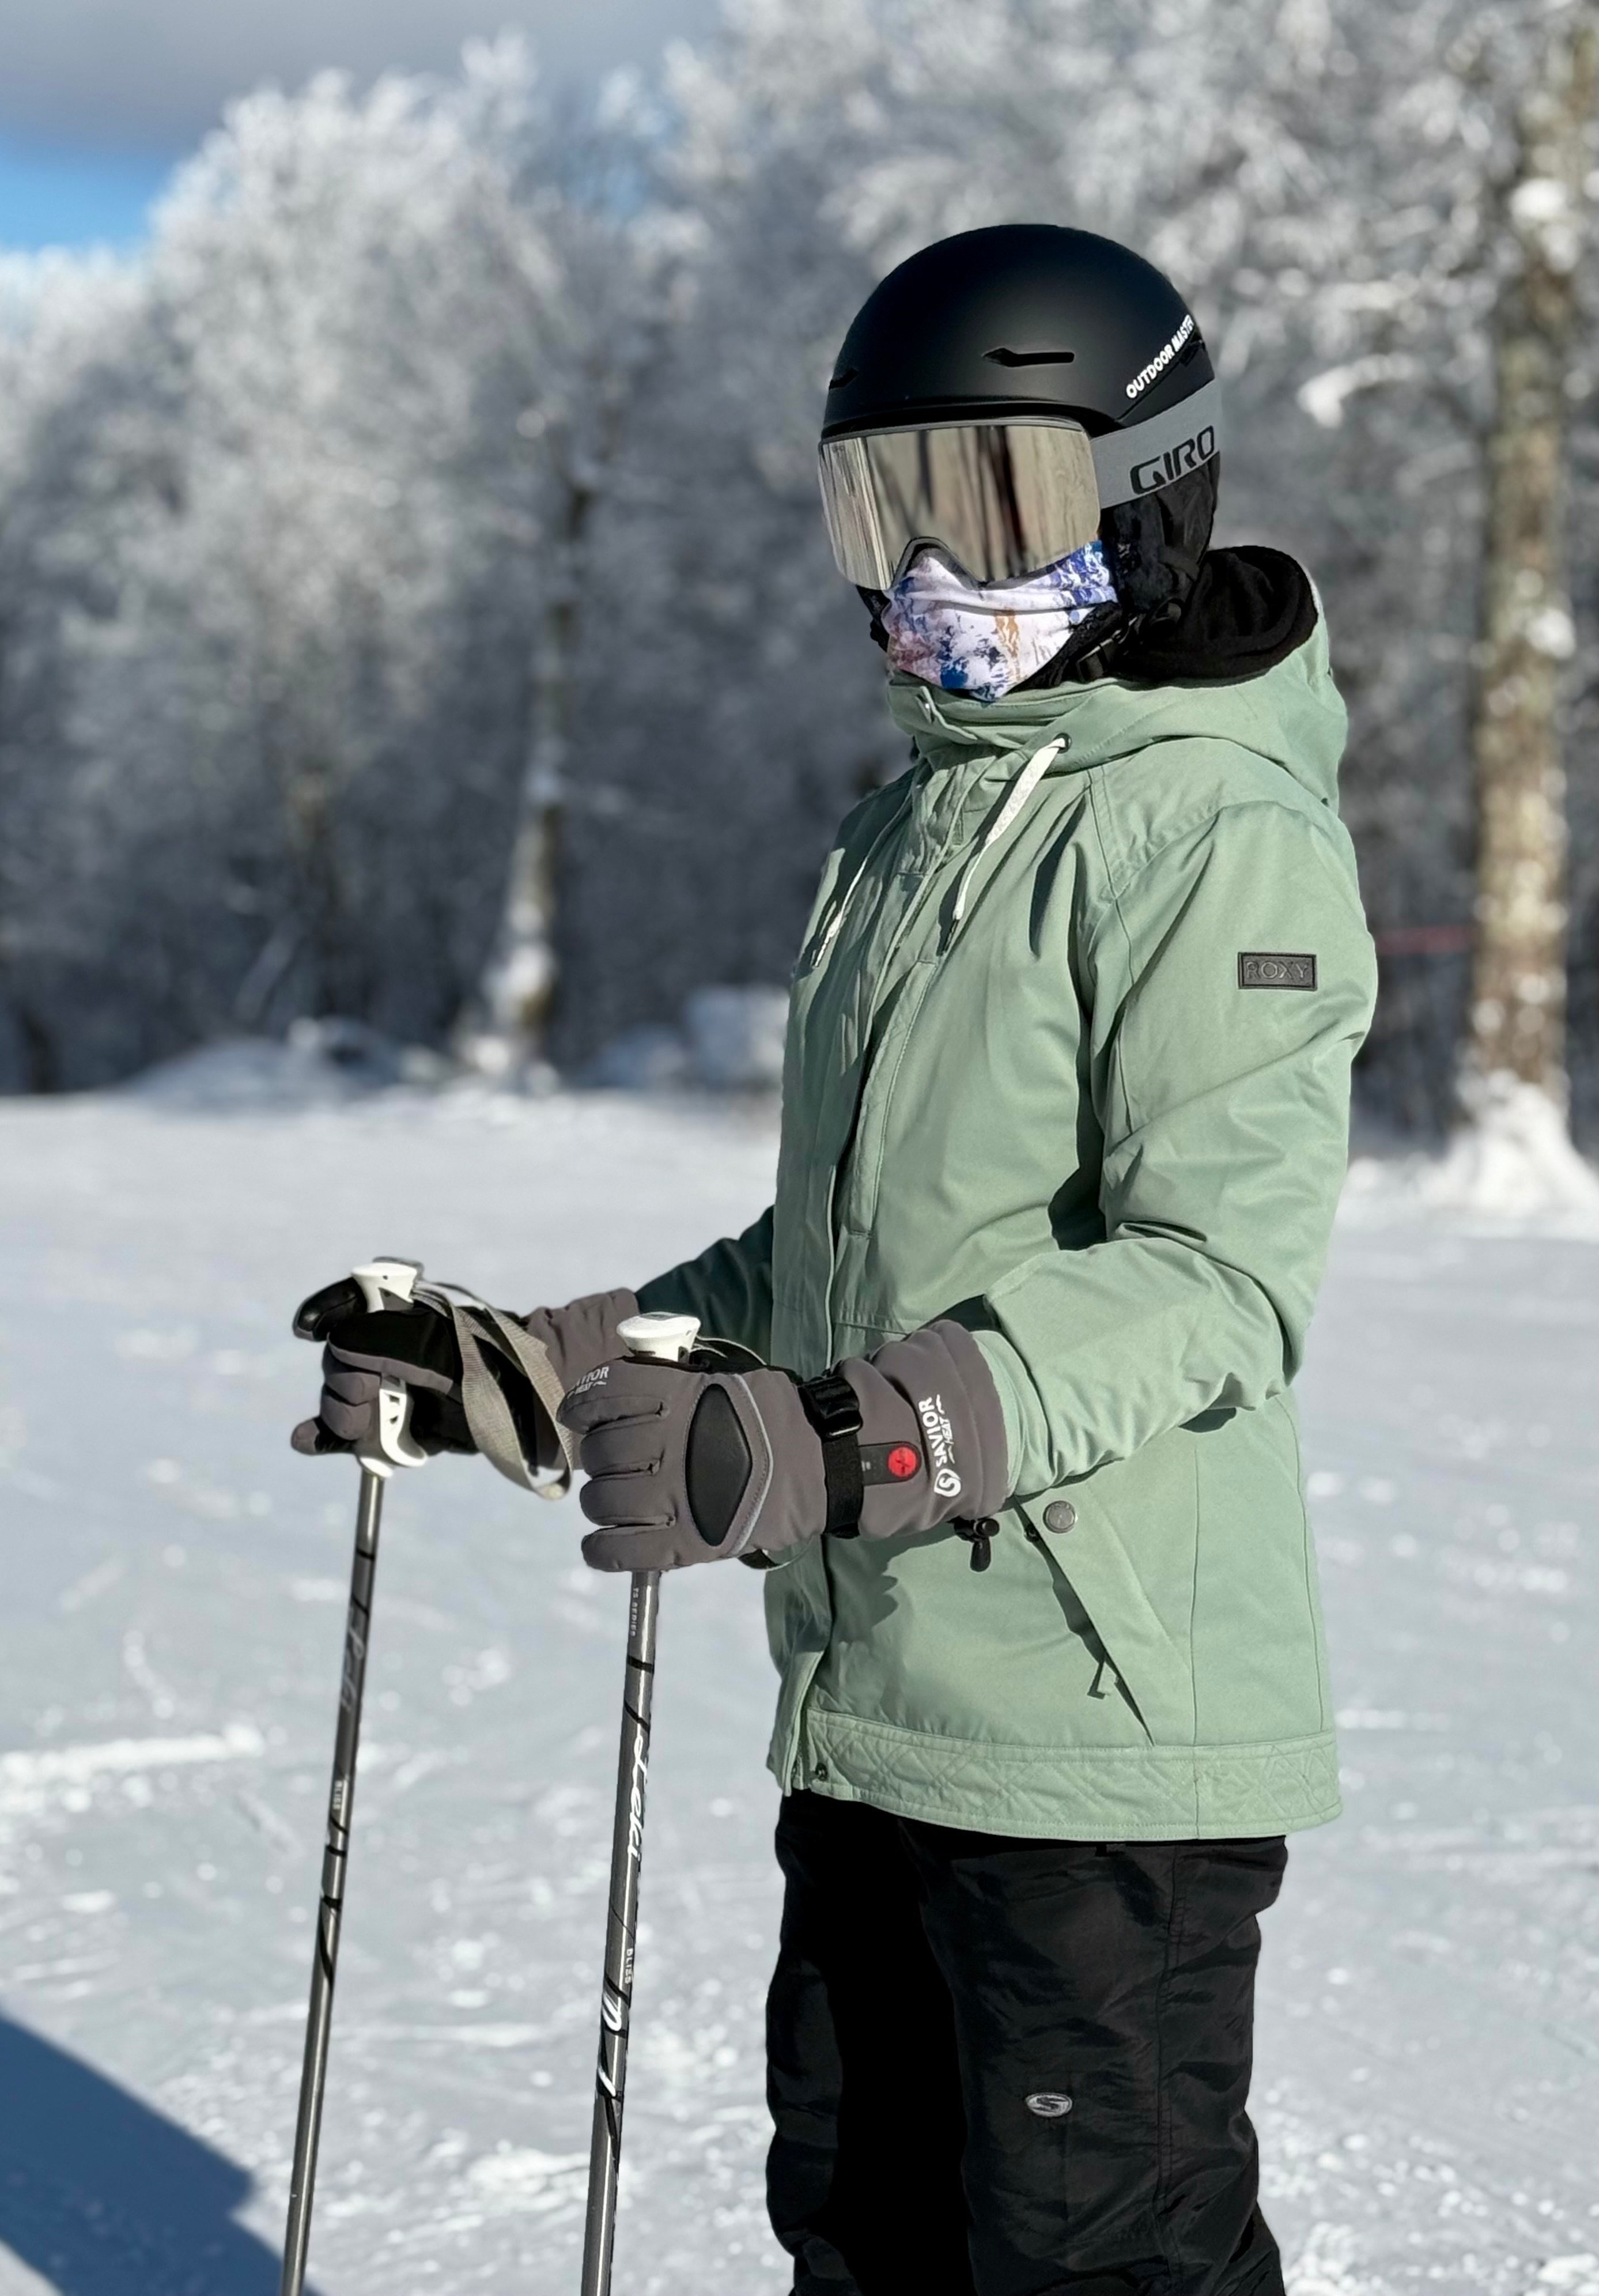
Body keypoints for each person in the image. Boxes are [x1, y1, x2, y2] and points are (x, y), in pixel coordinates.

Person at [293, 223, 1377, 2296]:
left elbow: (1210, 1278)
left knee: (1095, 2261)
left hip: (1099, 1729)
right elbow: (840, 1254)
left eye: (991, 502)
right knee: (863, 2228)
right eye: (888, 506)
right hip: (882, 1697)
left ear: (1150, 499)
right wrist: (545, 1365)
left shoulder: (1214, 829)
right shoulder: (911, 833)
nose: (930, 574)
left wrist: (843, 1446)